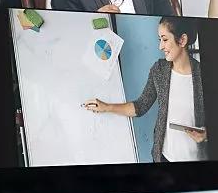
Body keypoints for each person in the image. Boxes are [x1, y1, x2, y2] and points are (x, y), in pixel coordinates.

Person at [82, 18, 207, 162]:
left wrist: (206, 134)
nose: (160, 46)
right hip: (163, 158)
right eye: (159, 39)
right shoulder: (159, 70)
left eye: (165, 39)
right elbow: (140, 106)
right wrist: (106, 107)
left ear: (182, 40)